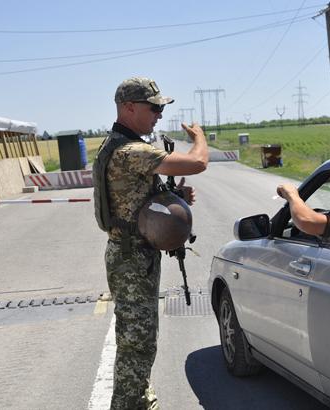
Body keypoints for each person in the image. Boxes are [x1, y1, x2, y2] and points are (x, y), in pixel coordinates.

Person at [94, 77, 208, 410]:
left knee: (139, 339)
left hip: (132, 256)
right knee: (137, 343)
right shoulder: (129, 151)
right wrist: (199, 138)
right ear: (129, 108)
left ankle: (141, 400)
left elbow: (132, 200)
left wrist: (171, 197)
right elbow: (198, 162)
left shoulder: (118, 145)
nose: (159, 115)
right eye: (154, 107)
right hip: (131, 260)